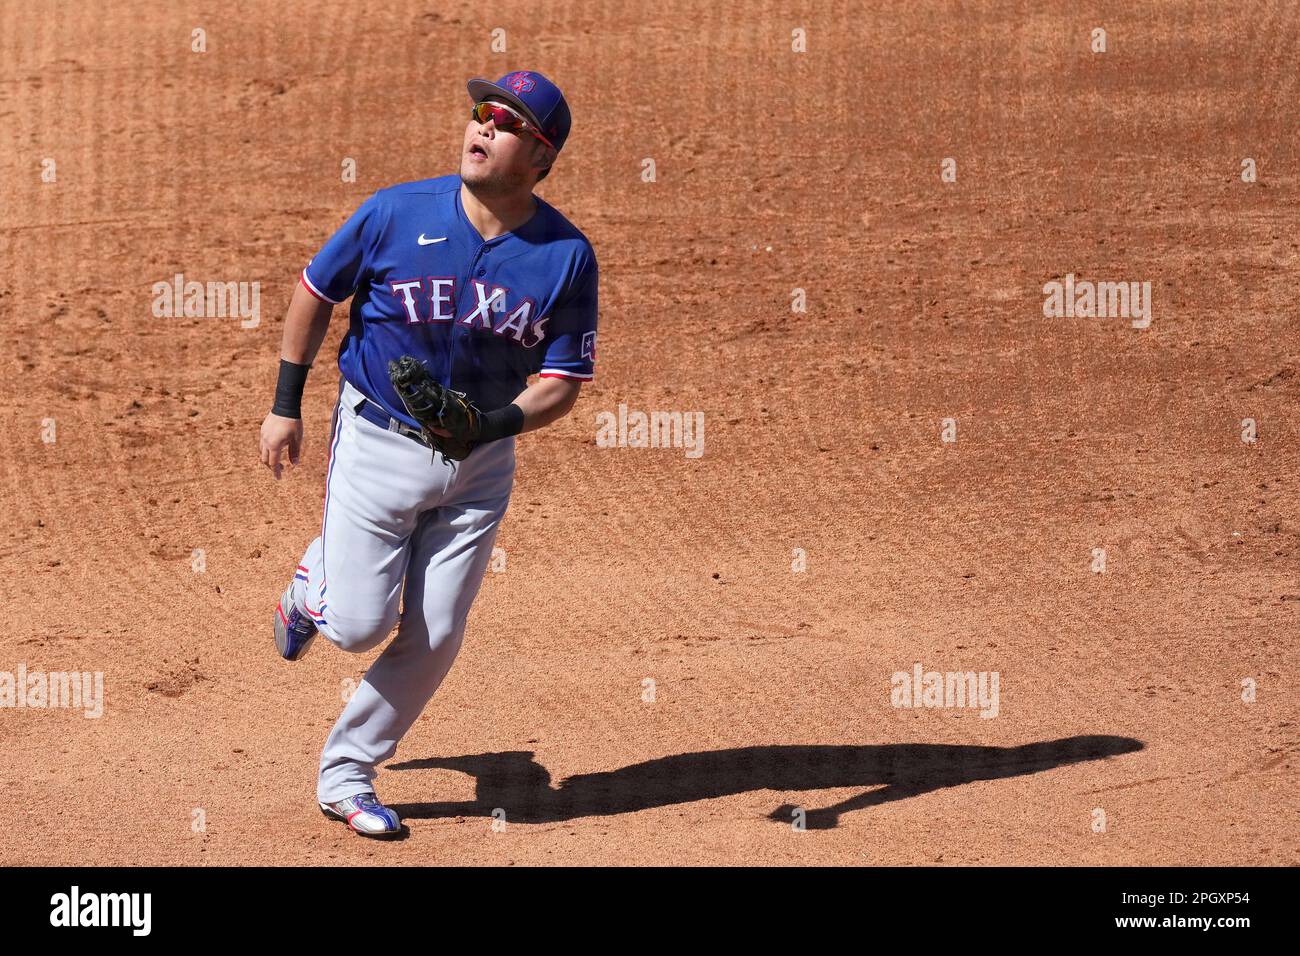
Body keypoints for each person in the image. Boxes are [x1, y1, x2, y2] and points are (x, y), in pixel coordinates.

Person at [258, 70, 598, 837]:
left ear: (541, 156)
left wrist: (490, 425)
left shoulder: (565, 256)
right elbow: (316, 292)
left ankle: (346, 775)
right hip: (377, 442)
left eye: (505, 123)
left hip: (480, 467)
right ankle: (315, 586)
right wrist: (285, 406)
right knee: (355, 627)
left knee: (438, 631)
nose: (481, 128)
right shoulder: (394, 211)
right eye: (481, 113)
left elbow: (563, 380)